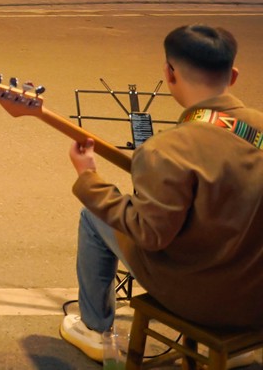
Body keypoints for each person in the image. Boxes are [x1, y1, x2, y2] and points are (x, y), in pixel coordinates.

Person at [59, 25, 263, 362]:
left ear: (169, 73)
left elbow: (149, 234)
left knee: (93, 214)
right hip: (255, 294)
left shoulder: (168, 150)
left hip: (206, 298)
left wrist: (88, 176)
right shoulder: (255, 127)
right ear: (234, 75)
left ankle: (95, 329)